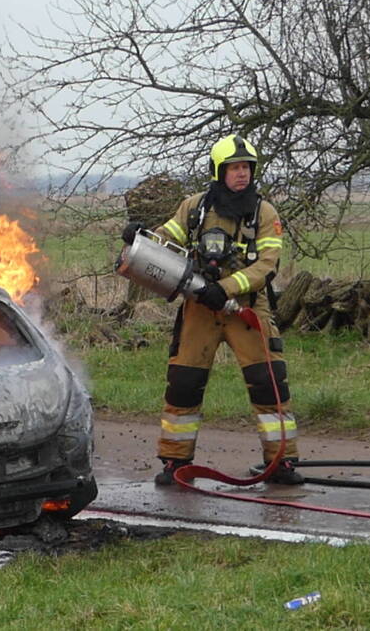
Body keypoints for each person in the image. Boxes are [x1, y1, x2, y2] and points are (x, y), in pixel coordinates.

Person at [121, 134, 304, 486]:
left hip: (247, 310)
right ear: (218, 171)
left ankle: (281, 463)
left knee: (269, 386)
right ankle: (175, 464)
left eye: (246, 168)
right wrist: (138, 237)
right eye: (234, 168)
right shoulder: (194, 207)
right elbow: (165, 240)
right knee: (184, 385)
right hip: (199, 308)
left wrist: (227, 288)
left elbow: (267, 264)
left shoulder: (264, 213)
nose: (242, 175)